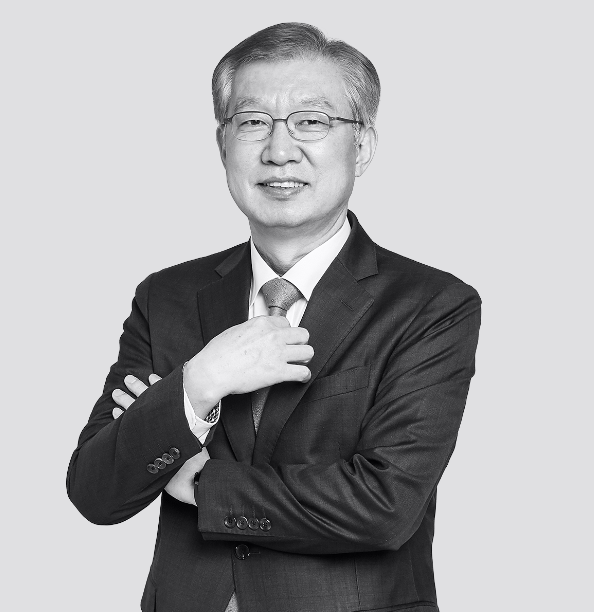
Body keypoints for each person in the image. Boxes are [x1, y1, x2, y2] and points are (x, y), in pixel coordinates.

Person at [67, 22, 481, 612]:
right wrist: (198, 383)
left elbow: (384, 506)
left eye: (311, 121)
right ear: (223, 145)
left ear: (362, 146)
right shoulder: (167, 297)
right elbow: (96, 491)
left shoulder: (431, 305)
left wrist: (203, 484)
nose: (279, 150)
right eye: (253, 122)